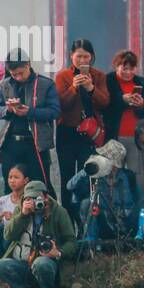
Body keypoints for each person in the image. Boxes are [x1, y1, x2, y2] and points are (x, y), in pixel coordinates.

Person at [0, 180, 76, 288]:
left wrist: (58, 252)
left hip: (47, 263)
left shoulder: (58, 212)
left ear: (45, 197)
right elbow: (8, 235)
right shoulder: (21, 209)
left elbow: (72, 242)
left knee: (41, 264)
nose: (34, 203)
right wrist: (23, 215)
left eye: (37, 198)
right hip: (23, 262)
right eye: (29, 199)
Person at [0, 49, 60, 192]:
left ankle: (46, 213)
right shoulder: (5, 85)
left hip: (35, 142)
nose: (17, 77)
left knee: (40, 185)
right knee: (11, 186)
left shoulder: (45, 84)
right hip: (11, 143)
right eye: (13, 74)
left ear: (28, 65)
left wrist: (30, 112)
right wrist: (8, 110)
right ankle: (12, 213)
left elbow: (54, 111)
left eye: (20, 73)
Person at [53, 38, 110, 196]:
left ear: (92, 57)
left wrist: (91, 88)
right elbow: (61, 105)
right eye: (79, 56)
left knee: (88, 174)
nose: (82, 60)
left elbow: (105, 102)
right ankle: (69, 217)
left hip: (90, 132)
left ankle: (87, 214)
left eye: (86, 57)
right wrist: (74, 88)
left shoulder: (99, 76)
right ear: (71, 56)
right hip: (67, 131)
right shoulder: (63, 76)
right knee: (67, 176)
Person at [102, 49, 144, 193]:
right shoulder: (107, 81)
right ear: (116, 66)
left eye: (131, 68)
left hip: (136, 138)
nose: (128, 72)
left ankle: (141, 207)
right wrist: (122, 99)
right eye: (124, 68)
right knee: (112, 175)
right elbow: (103, 105)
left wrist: (142, 104)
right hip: (113, 136)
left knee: (138, 176)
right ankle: (113, 211)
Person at [66, 139, 138, 246]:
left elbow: (130, 204)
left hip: (122, 224)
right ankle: (91, 241)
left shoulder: (126, 176)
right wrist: (85, 171)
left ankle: (139, 238)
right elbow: (70, 186)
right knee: (87, 203)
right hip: (102, 223)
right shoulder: (94, 175)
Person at [0, 163, 29, 257]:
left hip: (21, 232)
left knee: (8, 236)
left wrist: (14, 218)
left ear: (25, 180)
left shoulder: (28, 200)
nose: (12, 181)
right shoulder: (3, 200)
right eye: (10, 177)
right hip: (6, 231)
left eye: (16, 177)